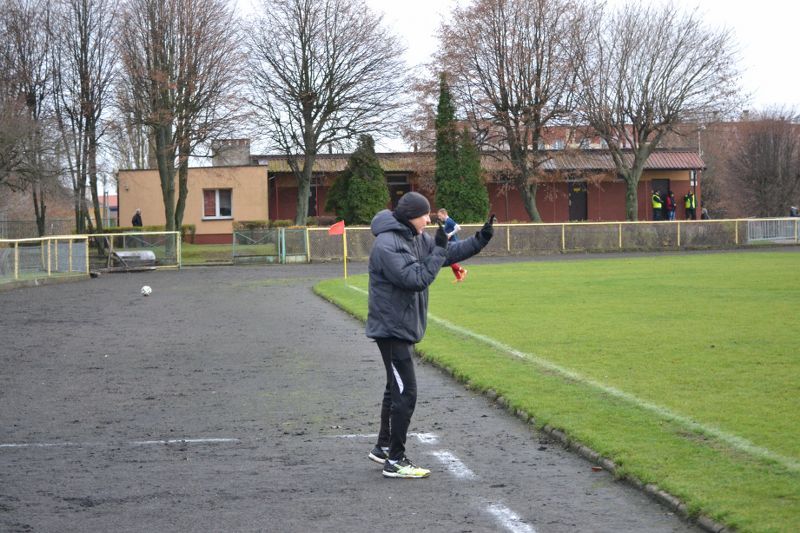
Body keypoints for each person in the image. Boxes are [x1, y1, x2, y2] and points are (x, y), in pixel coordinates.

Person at [365, 191, 494, 479]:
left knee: (394, 389)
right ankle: (396, 461)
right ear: (411, 216)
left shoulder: (412, 237)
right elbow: (416, 279)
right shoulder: (388, 244)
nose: (429, 218)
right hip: (392, 329)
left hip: (400, 326)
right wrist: (439, 248)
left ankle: (383, 447)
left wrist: (480, 239)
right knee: (405, 393)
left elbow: (446, 252)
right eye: (425, 214)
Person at [436, 208, 468, 282]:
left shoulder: (449, 220)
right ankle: (459, 278)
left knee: (449, 260)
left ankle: (463, 271)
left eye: (440, 216)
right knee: (451, 260)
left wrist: (450, 234)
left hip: (454, 243)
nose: (439, 217)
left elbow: (458, 228)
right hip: (450, 244)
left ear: (444, 214)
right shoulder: (447, 222)